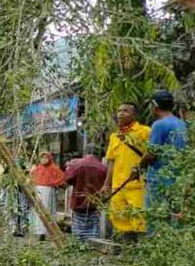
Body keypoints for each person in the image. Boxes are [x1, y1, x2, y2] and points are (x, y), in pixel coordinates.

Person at [102, 103, 151, 240]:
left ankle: (141, 252)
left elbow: (151, 155)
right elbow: (111, 161)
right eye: (118, 111)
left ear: (135, 115)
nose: (120, 114)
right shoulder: (114, 136)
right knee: (120, 219)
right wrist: (106, 184)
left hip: (137, 185)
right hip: (118, 186)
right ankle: (127, 250)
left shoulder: (144, 132)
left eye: (125, 111)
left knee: (139, 219)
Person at [141, 90, 188, 212]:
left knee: (155, 217)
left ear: (155, 107)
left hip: (159, 179)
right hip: (177, 179)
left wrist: (139, 167)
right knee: (174, 220)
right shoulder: (181, 123)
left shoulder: (159, 125)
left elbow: (151, 154)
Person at [64, 144, 107, 240]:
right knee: (93, 229)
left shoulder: (76, 164)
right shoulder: (103, 167)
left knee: (78, 230)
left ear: (85, 152)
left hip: (78, 201)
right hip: (95, 202)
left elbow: (67, 179)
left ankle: (79, 245)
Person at [29, 151, 65, 241]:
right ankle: (40, 232)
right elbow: (31, 178)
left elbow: (62, 178)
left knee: (48, 210)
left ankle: (49, 231)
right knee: (39, 211)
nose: (44, 160)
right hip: (38, 191)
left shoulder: (54, 168)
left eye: (46, 158)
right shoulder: (37, 169)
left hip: (48, 192)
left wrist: (53, 183)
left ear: (50, 158)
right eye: (42, 158)